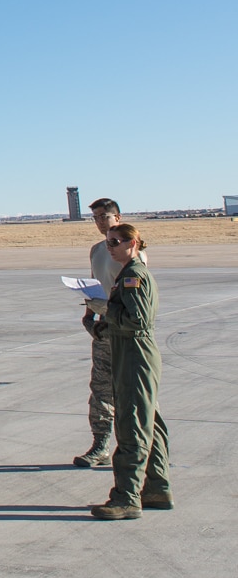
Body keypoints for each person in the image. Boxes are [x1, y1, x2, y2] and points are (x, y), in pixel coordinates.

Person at [90, 223, 172, 521]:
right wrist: (99, 323)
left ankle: (127, 497)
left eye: (116, 242)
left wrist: (105, 309)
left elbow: (136, 321)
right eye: (108, 242)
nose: (110, 246)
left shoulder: (133, 276)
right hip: (132, 351)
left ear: (133, 243)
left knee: (132, 426)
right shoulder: (128, 274)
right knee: (150, 422)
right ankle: (156, 488)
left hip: (134, 355)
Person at [73, 196, 141, 468]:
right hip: (104, 327)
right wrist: (89, 316)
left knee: (134, 392)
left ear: (118, 217)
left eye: (105, 216)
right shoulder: (97, 250)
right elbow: (95, 285)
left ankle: (140, 447)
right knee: (101, 388)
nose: (100, 222)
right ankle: (100, 445)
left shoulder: (131, 251)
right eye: (96, 217)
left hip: (125, 329)